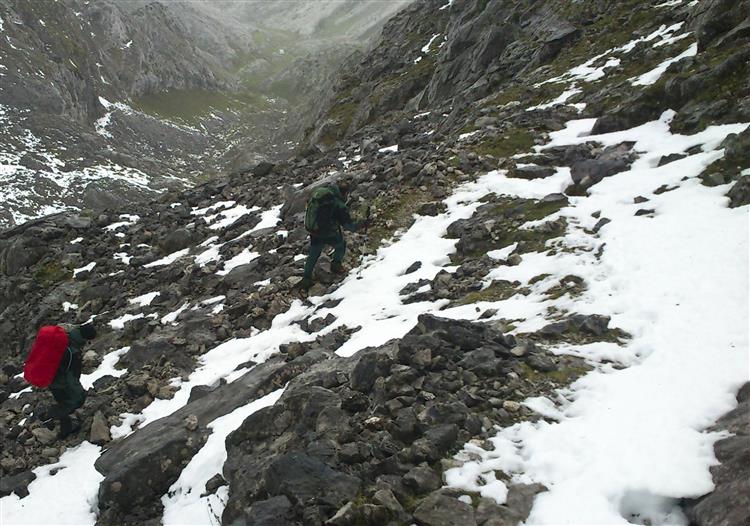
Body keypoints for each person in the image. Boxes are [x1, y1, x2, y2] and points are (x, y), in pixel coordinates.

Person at [301, 180, 368, 291]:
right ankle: (336, 266)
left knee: (314, 253)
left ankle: (306, 279)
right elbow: (348, 226)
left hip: (314, 229)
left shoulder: (324, 193)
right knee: (341, 245)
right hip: (327, 232)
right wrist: (361, 224)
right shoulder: (339, 205)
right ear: (345, 193)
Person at [38, 323, 97, 438]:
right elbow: (71, 378)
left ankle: (65, 428)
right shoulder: (73, 351)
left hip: (52, 379)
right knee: (73, 402)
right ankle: (48, 417)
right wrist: (80, 393)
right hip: (60, 383)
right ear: (85, 338)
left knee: (63, 403)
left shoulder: (68, 335)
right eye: (89, 341)